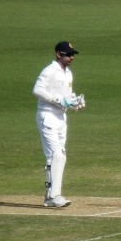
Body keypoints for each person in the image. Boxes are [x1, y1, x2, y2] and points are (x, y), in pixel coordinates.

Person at [33, 41, 86, 207]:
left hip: (61, 119)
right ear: (58, 54)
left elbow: (66, 98)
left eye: (72, 55)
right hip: (47, 116)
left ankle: (52, 196)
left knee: (59, 156)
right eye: (68, 54)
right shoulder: (49, 71)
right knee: (56, 155)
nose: (71, 57)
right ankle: (53, 196)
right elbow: (37, 90)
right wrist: (58, 100)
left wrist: (75, 103)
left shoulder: (68, 74)